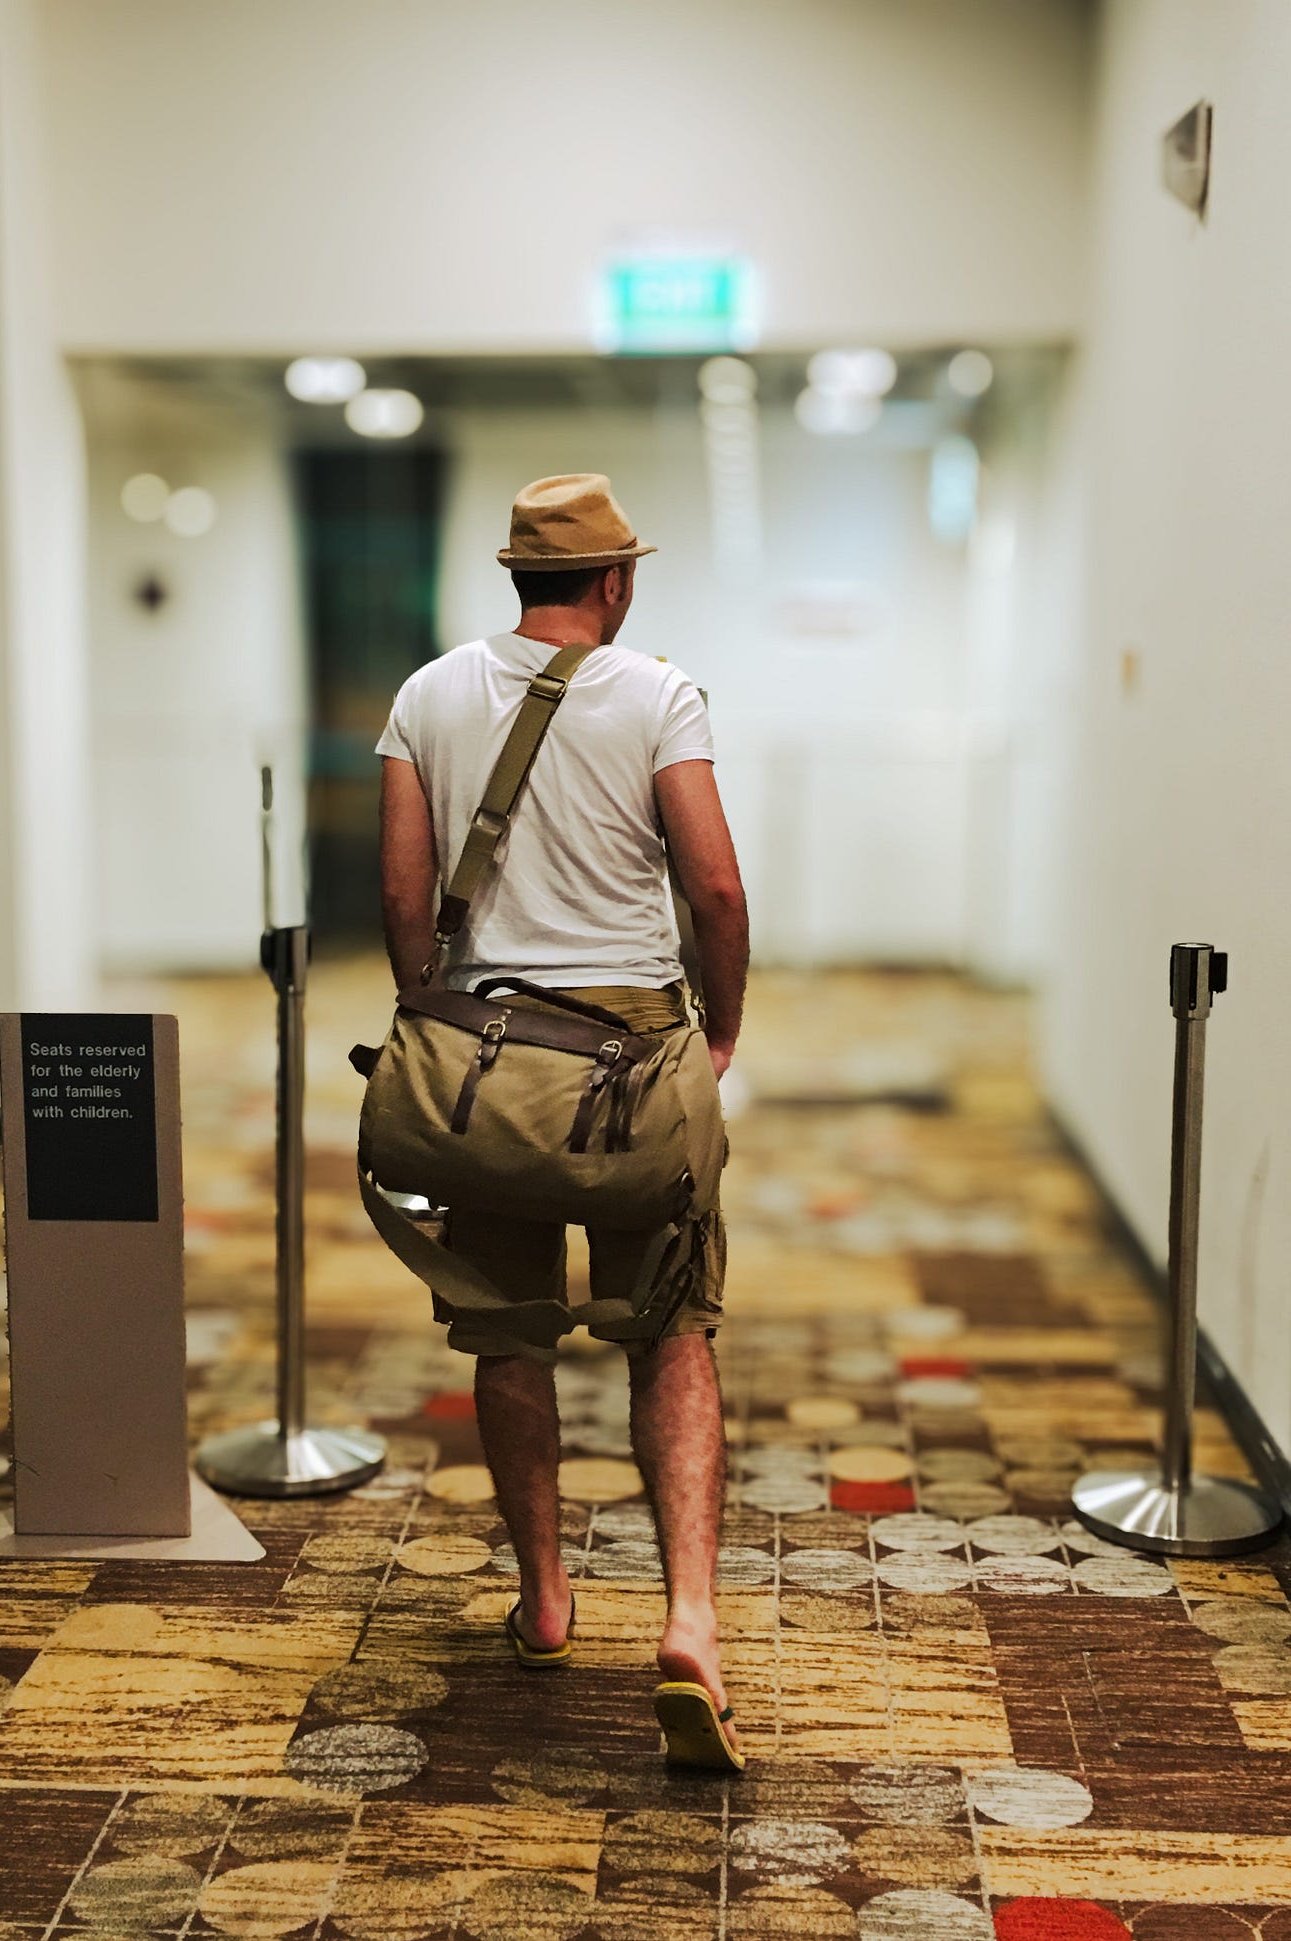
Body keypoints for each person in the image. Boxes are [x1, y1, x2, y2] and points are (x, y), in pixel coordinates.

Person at [375, 473, 750, 1765]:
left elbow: (402, 895)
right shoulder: (658, 692)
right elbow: (714, 886)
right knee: (672, 1335)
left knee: (511, 1333)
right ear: (617, 581)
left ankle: (544, 1596)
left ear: (515, 577)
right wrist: (723, 1034)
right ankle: (690, 1620)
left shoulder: (425, 699)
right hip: (637, 1070)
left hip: (491, 1063)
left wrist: (440, 1025)